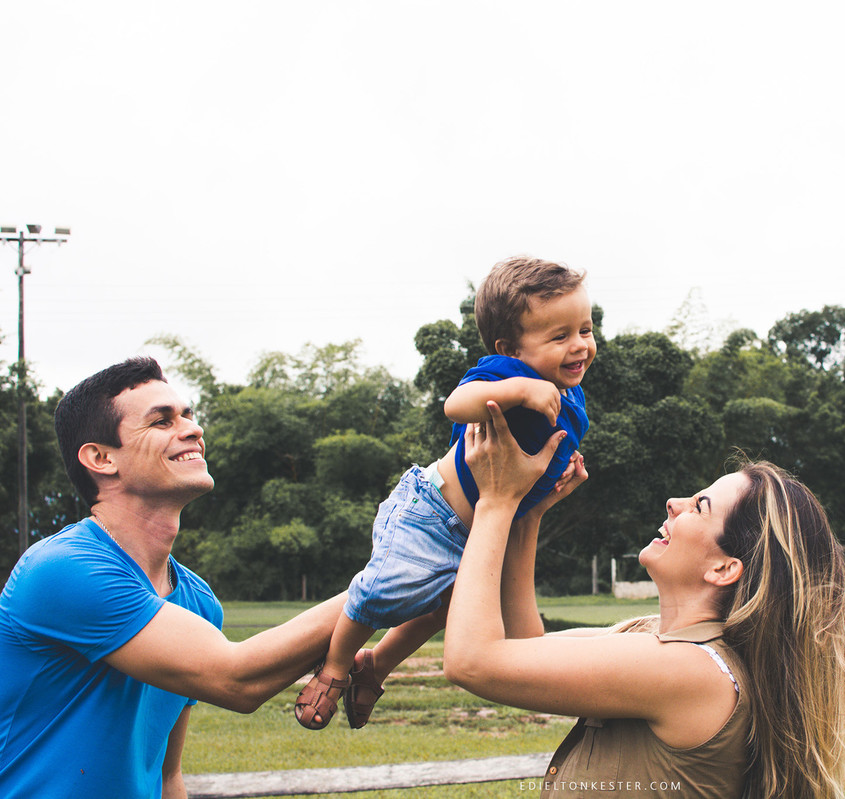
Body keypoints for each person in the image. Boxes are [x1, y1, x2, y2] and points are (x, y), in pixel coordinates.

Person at [443, 402, 845, 799]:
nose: (674, 503)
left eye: (700, 506)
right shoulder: (657, 641)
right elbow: (524, 648)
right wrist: (528, 514)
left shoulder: (692, 670)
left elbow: (473, 661)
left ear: (724, 568)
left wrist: (496, 502)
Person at [0, 357, 347, 799]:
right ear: (102, 458)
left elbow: (167, 776)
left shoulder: (198, 601)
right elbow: (238, 681)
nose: (192, 429)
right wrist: (388, 578)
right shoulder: (64, 570)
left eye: (187, 415)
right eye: (162, 421)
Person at [294, 256, 595, 730]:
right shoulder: (505, 375)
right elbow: (456, 405)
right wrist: (519, 389)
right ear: (510, 349)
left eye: (586, 330)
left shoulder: (568, 389)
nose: (579, 345)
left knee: (446, 608)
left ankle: (375, 667)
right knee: (380, 592)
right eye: (560, 336)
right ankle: (335, 666)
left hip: (477, 532)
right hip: (432, 513)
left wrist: (553, 479)